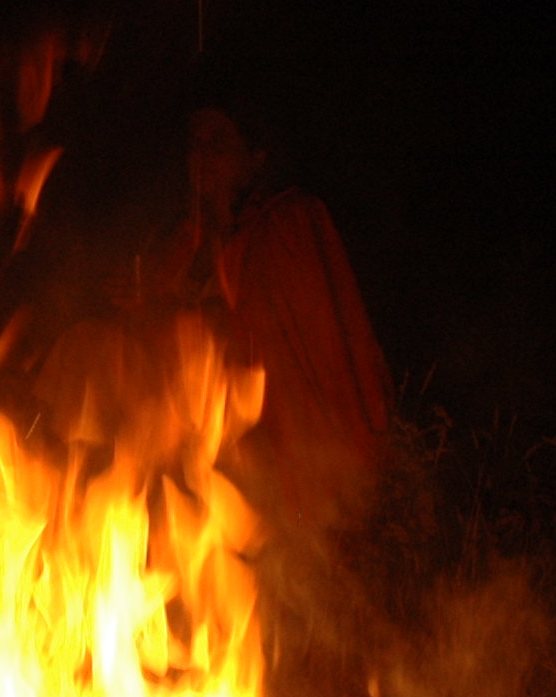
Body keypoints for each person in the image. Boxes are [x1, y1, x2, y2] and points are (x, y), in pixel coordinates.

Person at [149, 105, 395, 540]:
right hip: (222, 467)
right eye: (194, 144)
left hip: (302, 464)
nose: (201, 155)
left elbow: (297, 351)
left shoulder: (290, 223)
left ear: (256, 156)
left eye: (218, 142)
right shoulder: (188, 246)